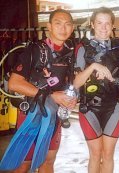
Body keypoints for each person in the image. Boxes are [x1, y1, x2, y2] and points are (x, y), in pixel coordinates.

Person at [6, 9, 77, 172]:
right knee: (24, 163)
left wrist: (71, 98)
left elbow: (67, 84)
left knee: (48, 161)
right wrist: (51, 95)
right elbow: (14, 83)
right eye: (58, 23)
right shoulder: (34, 50)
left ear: (72, 28)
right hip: (32, 114)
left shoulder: (69, 53)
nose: (63, 28)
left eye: (67, 24)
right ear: (49, 26)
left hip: (55, 115)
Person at [73, 7, 119, 173]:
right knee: (95, 155)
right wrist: (94, 66)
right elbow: (76, 83)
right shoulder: (83, 49)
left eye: (107, 23)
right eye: (99, 23)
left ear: (112, 26)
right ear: (92, 25)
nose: (103, 27)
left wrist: (114, 79)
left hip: (114, 107)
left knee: (108, 155)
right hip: (90, 109)